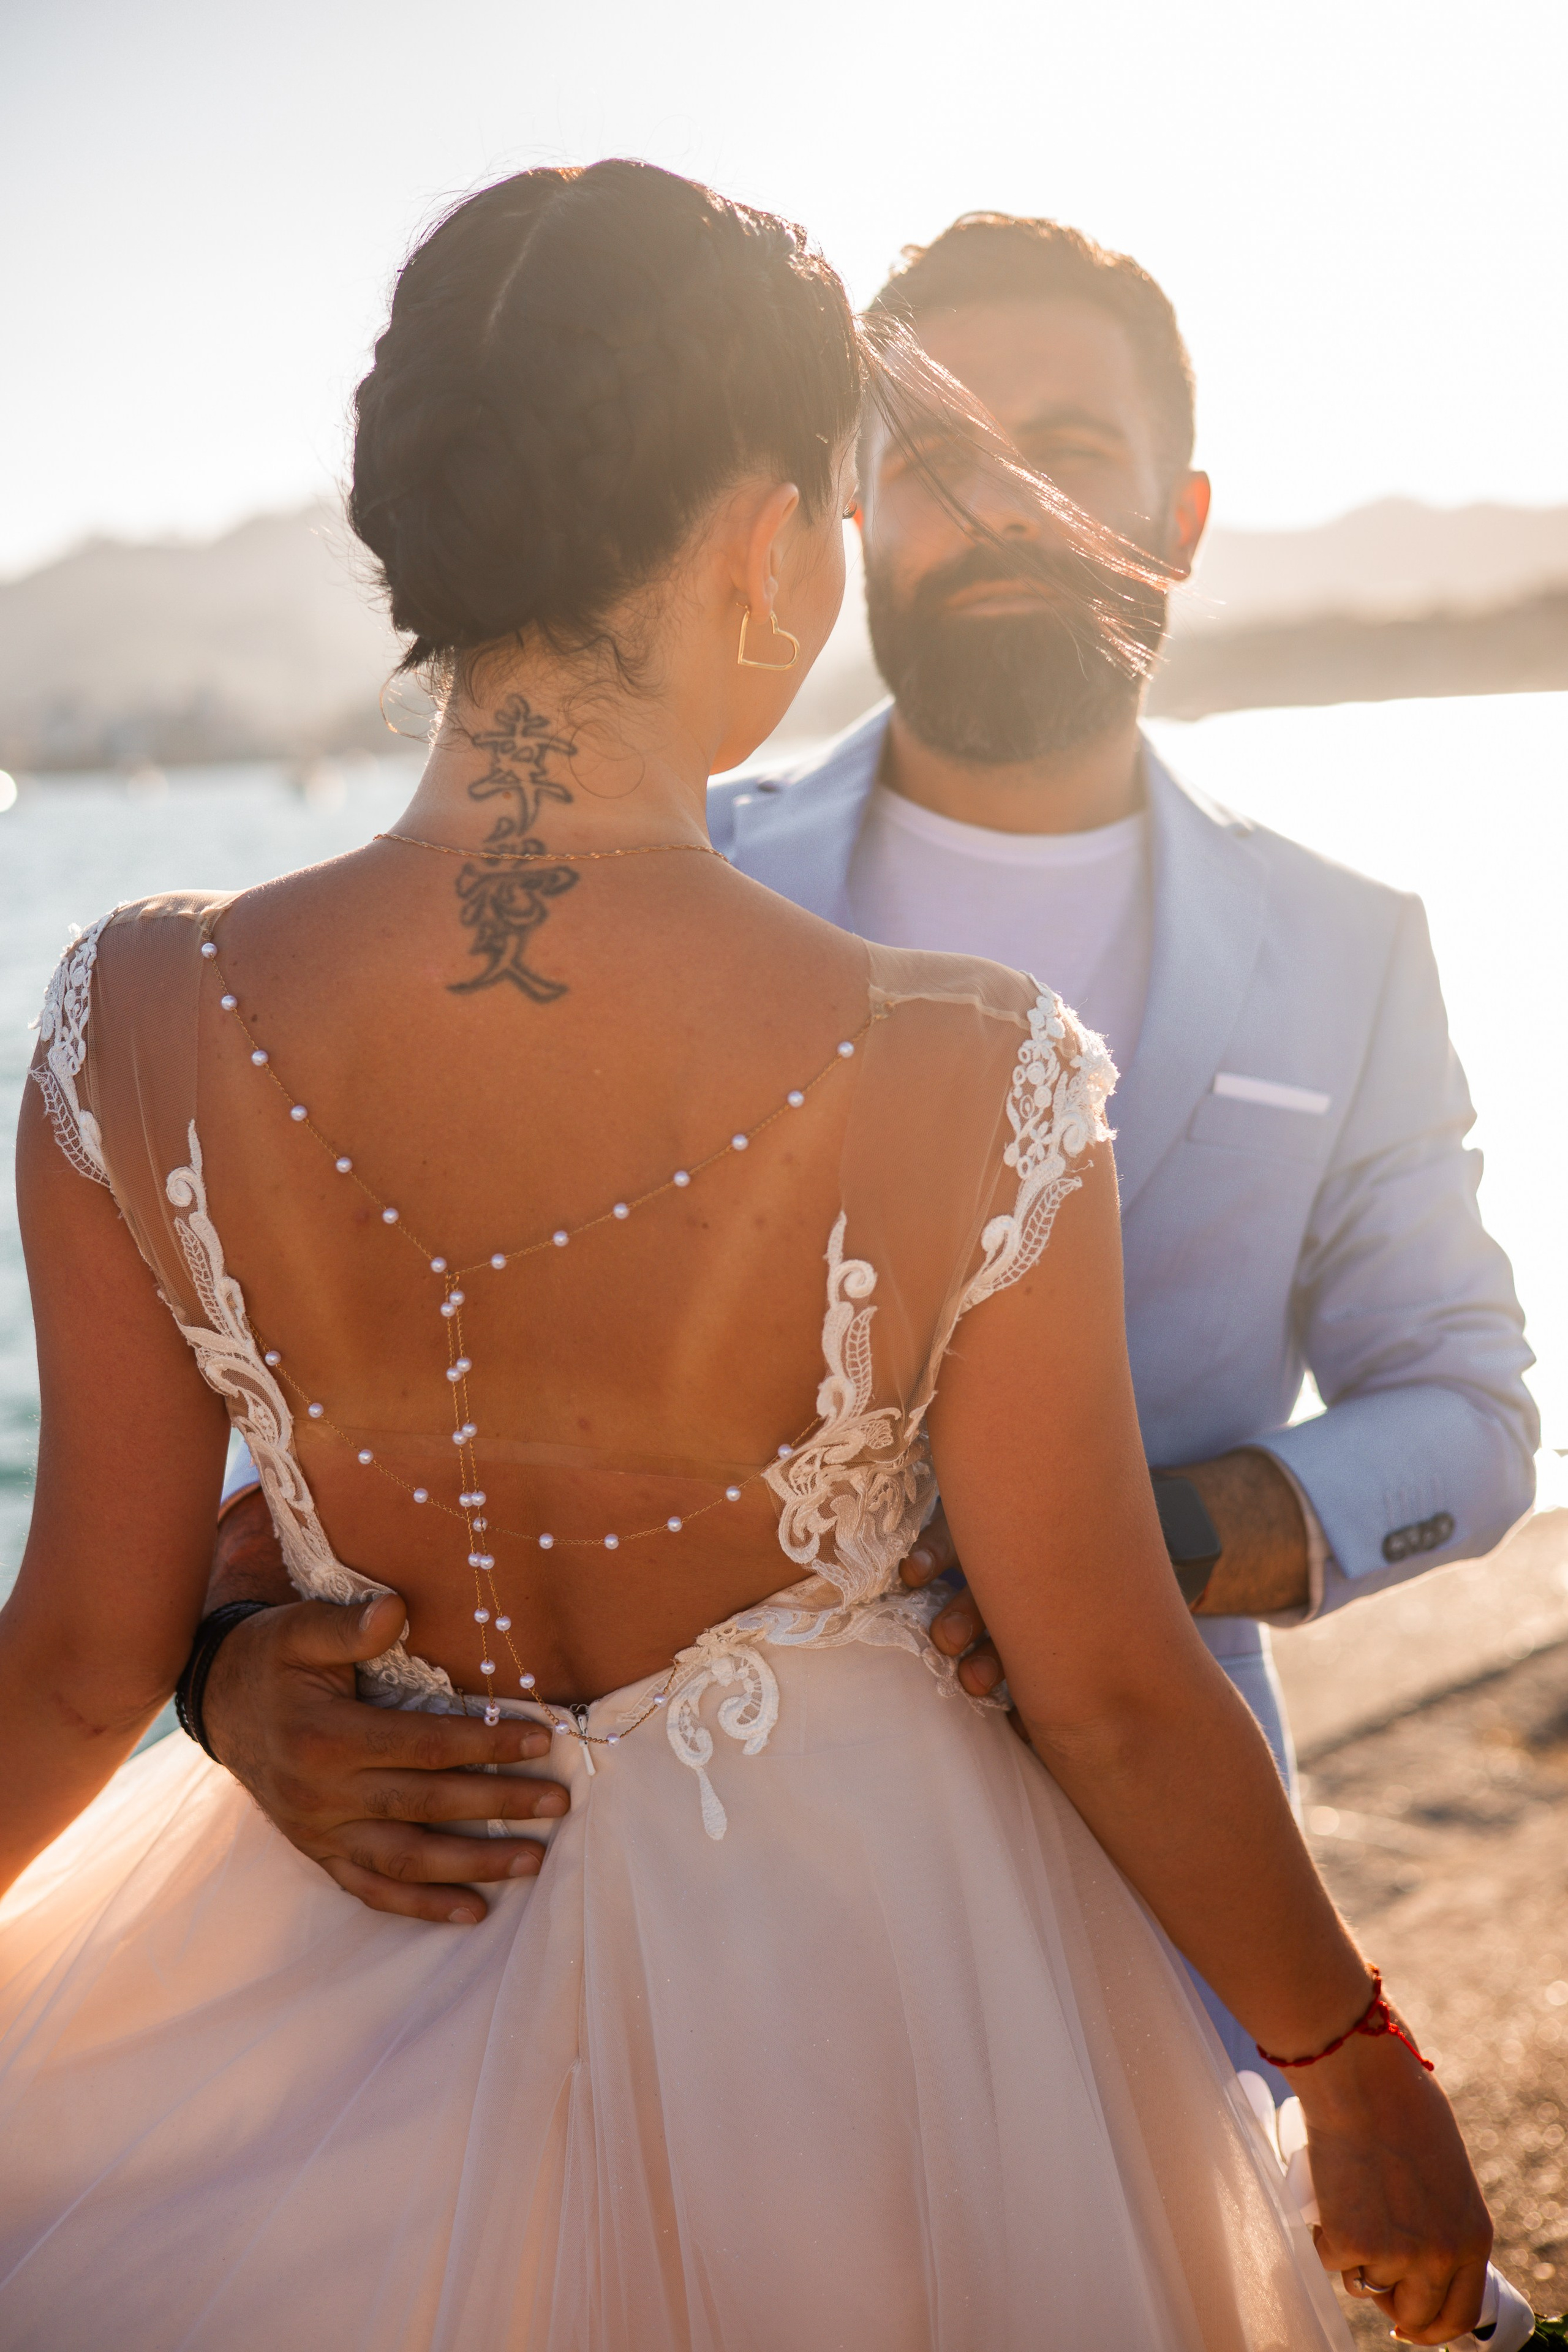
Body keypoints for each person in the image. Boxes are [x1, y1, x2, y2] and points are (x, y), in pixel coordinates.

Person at [0, 162, 1489, 2347]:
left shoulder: (133, 1018)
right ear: (771, 535)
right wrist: (1353, 2065)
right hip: (881, 2028)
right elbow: (1100, 1679)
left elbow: (59, 1666)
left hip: (333, 2000)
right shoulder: (968, 1068)